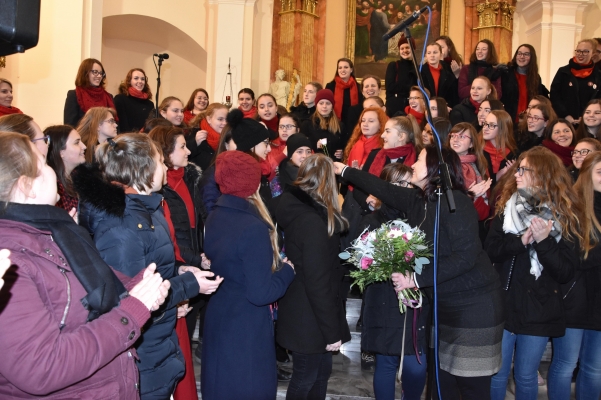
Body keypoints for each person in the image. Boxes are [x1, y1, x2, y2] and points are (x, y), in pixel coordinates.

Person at [0, 131, 169, 399]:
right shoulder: (10, 262)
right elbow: (42, 368)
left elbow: (85, 283)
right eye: (44, 165)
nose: (53, 170)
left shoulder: (51, 230)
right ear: (26, 186)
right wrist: (130, 313)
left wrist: (136, 287)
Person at [334, 146, 504, 400]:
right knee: (442, 384)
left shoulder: (455, 202)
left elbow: (465, 257)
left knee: (470, 386)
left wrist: (414, 278)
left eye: (420, 160)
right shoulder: (421, 201)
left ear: (436, 168)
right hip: (444, 306)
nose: (413, 165)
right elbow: (384, 189)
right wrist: (344, 170)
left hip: (473, 307)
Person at [72, 133, 223, 399]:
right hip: (140, 354)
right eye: (159, 162)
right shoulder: (121, 227)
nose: (165, 167)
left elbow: (153, 266)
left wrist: (180, 269)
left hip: (157, 342)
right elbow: (129, 297)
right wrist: (190, 284)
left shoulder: (149, 209)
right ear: (143, 170)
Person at [485, 146, 582, 400]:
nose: (517, 174)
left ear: (543, 174)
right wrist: (521, 241)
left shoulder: (565, 214)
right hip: (504, 303)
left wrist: (544, 241)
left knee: (526, 376)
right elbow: (491, 251)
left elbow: (565, 271)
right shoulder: (507, 207)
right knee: (496, 373)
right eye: (518, 169)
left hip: (540, 306)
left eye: (523, 169)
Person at [201, 150, 295, 400]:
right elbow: (261, 293)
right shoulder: (252, 227)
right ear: (252, 182)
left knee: (220, 385)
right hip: (245, 324)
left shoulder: (214, 215)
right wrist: (287, 271)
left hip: (219, 313)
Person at [274, 154, 351, 399]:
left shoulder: (298, 209)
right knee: (306, 377)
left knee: (319, 374)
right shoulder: (313, 222)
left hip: (303, 308)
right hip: (310, 316)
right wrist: (331, 331)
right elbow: (318, 282)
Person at [148, 125, 207, 400]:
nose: (188, 151)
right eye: (182, 146)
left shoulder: (192, 177)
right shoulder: (160, 192)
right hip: (176, 269)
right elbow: (173, 237)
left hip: (190, 263)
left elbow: (196, 223)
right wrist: (190, 261)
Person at [547, 151, 601, 400]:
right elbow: (576, 257)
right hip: (574, 298)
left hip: (598, 302)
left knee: (594, 369)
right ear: (587, 175)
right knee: (565, 365)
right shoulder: (573, 207)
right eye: (600, 172)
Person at [447, 123, 492, 223]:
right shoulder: (443, 163)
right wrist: (469, 195)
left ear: (471, 143)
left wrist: (477, 196)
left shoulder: (480, 165)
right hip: (450, 220)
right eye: (453, 135)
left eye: (462, 136)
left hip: (473, 220)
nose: (455, 139)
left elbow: (486, 205)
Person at [551, 39, 601, 123]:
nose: (580, 54)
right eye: (578, 51)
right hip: (565, 120)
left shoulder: (598, 75)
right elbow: (554, 95)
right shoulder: (563, 72)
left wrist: (586, 116)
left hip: (589, 121)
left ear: (593, 53)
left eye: (585, 51)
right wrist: (565, 115)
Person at [501, 45, 549, 123]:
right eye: (519, 53)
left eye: (526, 54)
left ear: (532, 57)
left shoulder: (536, 78)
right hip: (508, 120)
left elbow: (538, 100)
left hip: (528, 121)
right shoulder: (506, 73)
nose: (522, 57)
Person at [45, 125, 86, 212]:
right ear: (61, 152)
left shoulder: (77, 178)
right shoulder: (54, 188)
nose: (84, 146)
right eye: (76, 143)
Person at [64, 58, 116, 127]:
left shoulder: (108, 96)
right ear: (85, 73)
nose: (99, 76)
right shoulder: (74, 95)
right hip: (83, 137)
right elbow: (70, 126)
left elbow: (114, 123)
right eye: (95, 72)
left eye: (101, 73)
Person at [301, 89, 347, 161]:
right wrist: (315, 145)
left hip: (334, 166)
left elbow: (345, 145)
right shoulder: (307, 124)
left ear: (332, 106)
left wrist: (342, 153)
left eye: (328, 103)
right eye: (321, 103)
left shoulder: (340, 125)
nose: (324, 106)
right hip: (314, 165)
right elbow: (301, 147)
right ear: (316, 105)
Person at [187, 103, 228, 170]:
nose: (224, 123)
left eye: (227, 120)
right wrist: (194, 143)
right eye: (220, 119)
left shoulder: (229, 136)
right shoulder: (195, 133)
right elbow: (184, 156)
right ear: (209, 119)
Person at [385, 35, 418, 117]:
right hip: (394, 106)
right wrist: (409, 87)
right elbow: (389, 86)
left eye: (407, 47)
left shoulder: (417, 68)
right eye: (402, 48)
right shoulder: (393, 65)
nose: (404, 50)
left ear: (413, 49)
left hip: (412, 106)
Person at [113, 68, 154, 133]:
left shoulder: (150, 104)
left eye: (143, 79)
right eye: (136, 78)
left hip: (145, 140)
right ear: (129, 81)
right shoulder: (120, 99)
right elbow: (121, 125)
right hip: (126, 139)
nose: (140, 81)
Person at [482, 110, 517, 185]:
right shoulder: (477, 150)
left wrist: (512, 173)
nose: (485, 128)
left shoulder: (514, 153)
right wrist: (501, 173)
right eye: (485, 123)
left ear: (503, 128)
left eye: (491, 125)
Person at [421, 42, 459, 107]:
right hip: (426, 108)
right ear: (425, 55)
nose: (432, 55)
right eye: (429, 53)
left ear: (441, 55)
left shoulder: (448, 74)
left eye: (435, 52)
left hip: (443, 109)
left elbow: (452, 96)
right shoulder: (419, 72)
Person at [325, 58, 363, 122]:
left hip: (354, 122)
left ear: (351, 70)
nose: (342, 70)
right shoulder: (330, 86)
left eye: (346, 67)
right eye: (340, 68)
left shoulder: (359, 87)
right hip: (334, 122)